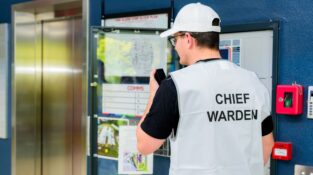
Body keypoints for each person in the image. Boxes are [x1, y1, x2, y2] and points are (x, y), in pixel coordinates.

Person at [136, 2, 274, 175]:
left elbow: (144, 145)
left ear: (188, 39)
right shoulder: (252, 82)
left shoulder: (176, 85)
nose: (175, 46)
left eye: (175, 40)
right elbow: (267, 145)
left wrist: (153, 95)